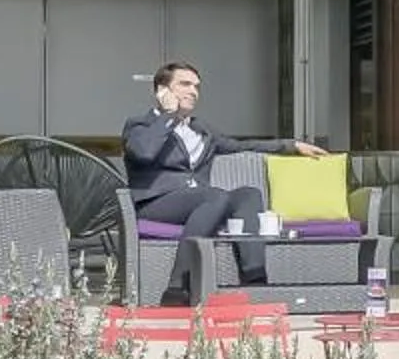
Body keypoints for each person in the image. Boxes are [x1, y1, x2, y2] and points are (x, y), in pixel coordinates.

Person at [122, 61, 328, 301]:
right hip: (156, 203)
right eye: (185, 84)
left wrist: (290, 146)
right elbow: (144, 152)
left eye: (197, 86)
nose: (193, 92)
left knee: (248, 194)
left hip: (203, 202)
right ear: (162, 90)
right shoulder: (140, 124)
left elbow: (241, 145)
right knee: (215, 195)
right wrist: (168, 115)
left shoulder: (202, 130)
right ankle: (177, 285)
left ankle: (255, 276)